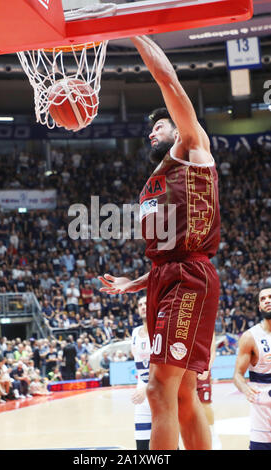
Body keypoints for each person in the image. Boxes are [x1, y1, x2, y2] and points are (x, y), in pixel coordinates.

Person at [99, 35, 220, 450]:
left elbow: (169, 81)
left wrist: (134, 29)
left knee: (157, 390)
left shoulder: (192, 147)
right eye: (149, 128)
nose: (152, 133)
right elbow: (166, 249)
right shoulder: (153, 182)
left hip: (189, 278)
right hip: (164, 278)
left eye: (159, 125)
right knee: (181, 393)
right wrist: (133, 284)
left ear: (177, 125)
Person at [233, 285, 271, 450]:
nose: (267, 301)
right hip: (262, 410)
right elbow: (237, 375)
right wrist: (244, 387)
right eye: (263, 299)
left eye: (270, 297)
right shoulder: (250, 337)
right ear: (259, 307)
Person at [131, 295, 152, 450]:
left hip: (161, 393)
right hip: (142, 394)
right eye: (140, 305)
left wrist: (147, 387)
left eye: (146, 303)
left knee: (168, 444)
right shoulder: (135, 333)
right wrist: (142, 386)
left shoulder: (162, 331)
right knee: (142, 444)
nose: (143, 307)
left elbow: (166, 369)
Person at [196, 333, 222, 450]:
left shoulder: (207, 322)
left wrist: (207, 369)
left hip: (202, 368)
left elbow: (212, 351)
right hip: (186, 369)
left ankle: (212, 434)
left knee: (205, 403)